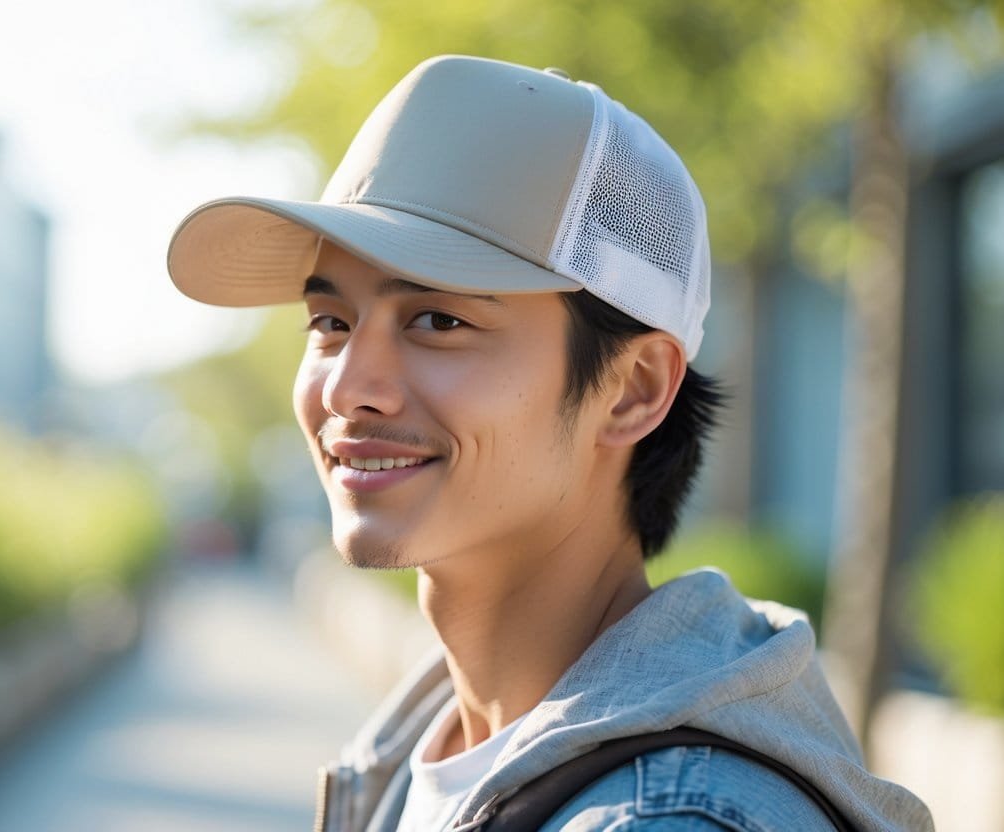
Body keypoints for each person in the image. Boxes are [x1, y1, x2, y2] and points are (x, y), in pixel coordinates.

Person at [167, 55, 932, 832]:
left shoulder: (667, 820)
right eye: (330, 323)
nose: (345, 388)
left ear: (633, 389)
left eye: (437, 320)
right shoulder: (433, 747)